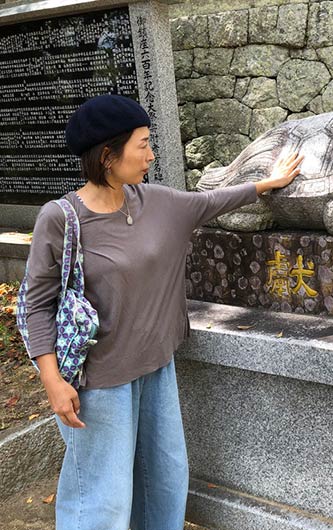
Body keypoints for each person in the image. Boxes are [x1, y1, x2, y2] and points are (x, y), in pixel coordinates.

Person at [22, 94, 303, 530]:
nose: (151, 154)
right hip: (100, 382)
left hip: (157, 367)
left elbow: (213, 202)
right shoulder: (61, 219)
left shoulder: (154, 201)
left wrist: (268, 183)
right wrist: (52, 380)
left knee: (164, 480)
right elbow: (35, 303)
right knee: (103, 496)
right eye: (143, 144)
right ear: (108, 155)